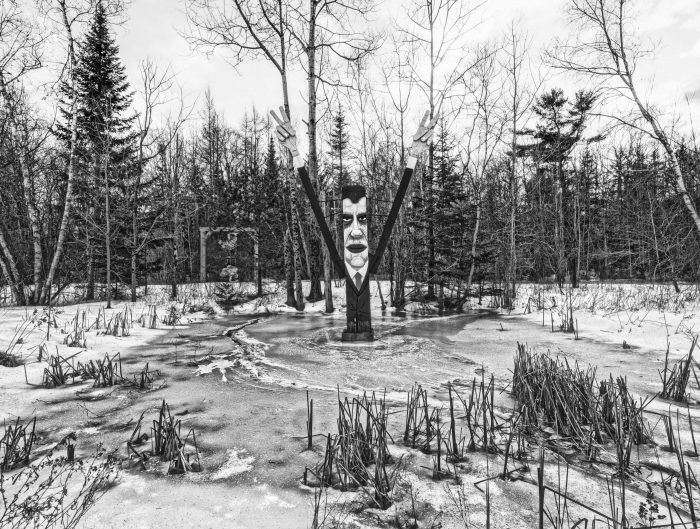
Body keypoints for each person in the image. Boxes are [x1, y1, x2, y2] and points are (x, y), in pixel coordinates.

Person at [271, 107, 436, 340]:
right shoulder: (342, 266)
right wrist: (295, 152)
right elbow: (315, 207)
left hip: (367, 332)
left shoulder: (372, 263)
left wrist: (414, 156)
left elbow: (398, 204)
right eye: (347, 219)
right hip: (350, 331)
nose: (356, 231)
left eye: (363, 219)